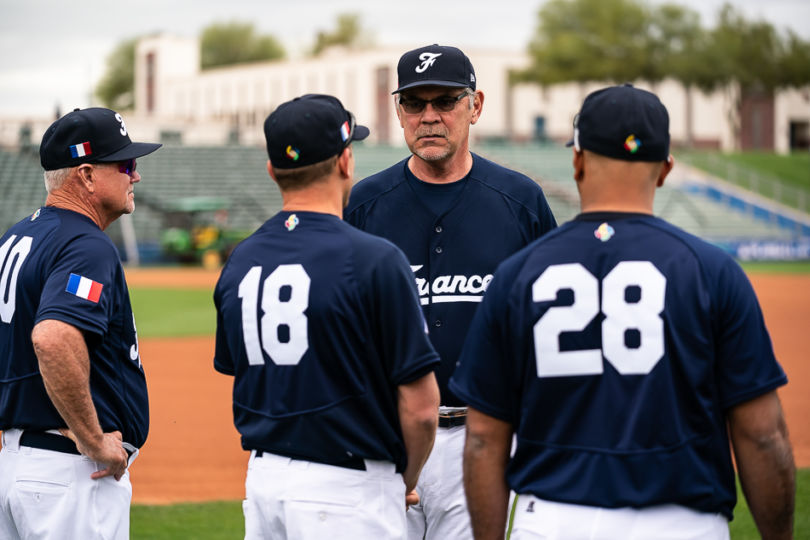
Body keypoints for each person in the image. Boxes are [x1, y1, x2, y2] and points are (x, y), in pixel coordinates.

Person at [449, 84, 795, 540]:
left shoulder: (519, 274)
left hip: (553, 520)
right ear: (666, 168)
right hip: (682, 522)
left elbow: (483, 439)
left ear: (577, 160)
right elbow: (761, 436)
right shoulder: (713, 271)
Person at [345, 44, 557, 539]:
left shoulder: (520, 201)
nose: (430, 116)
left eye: (446, 101)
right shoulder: (363, 203)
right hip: (381, 438)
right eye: (415, 104)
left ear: (475, 105)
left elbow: (547, 320)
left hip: (479, 438)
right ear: (398, 111)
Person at [213, 94, 441, 539]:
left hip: (264, 484)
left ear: (273, 170)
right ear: (345, 161)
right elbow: (422, 409)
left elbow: (238, 369)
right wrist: (405, 479)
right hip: (347, 488)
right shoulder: (374, 258)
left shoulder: (240, 259)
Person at [0, 107, 161, 539]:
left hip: (18, 465)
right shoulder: (84, 243)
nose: (136, 176)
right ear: (87, 175)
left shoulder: (16, 237)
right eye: (126, 164)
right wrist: (93, 440)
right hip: (68, 476)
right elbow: (52, 338)